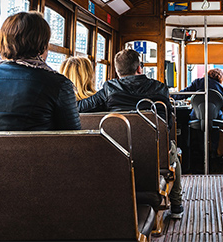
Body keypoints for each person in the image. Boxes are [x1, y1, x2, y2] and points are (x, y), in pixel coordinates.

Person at [78, 49, 184, 219]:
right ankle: (177, 205)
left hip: (120, 150)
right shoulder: (160, 88)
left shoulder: (109, 88)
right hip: (155, 151)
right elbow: (167, 125)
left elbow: (81, 108)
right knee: (173, 155)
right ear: (139, 68)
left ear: (117, 71)